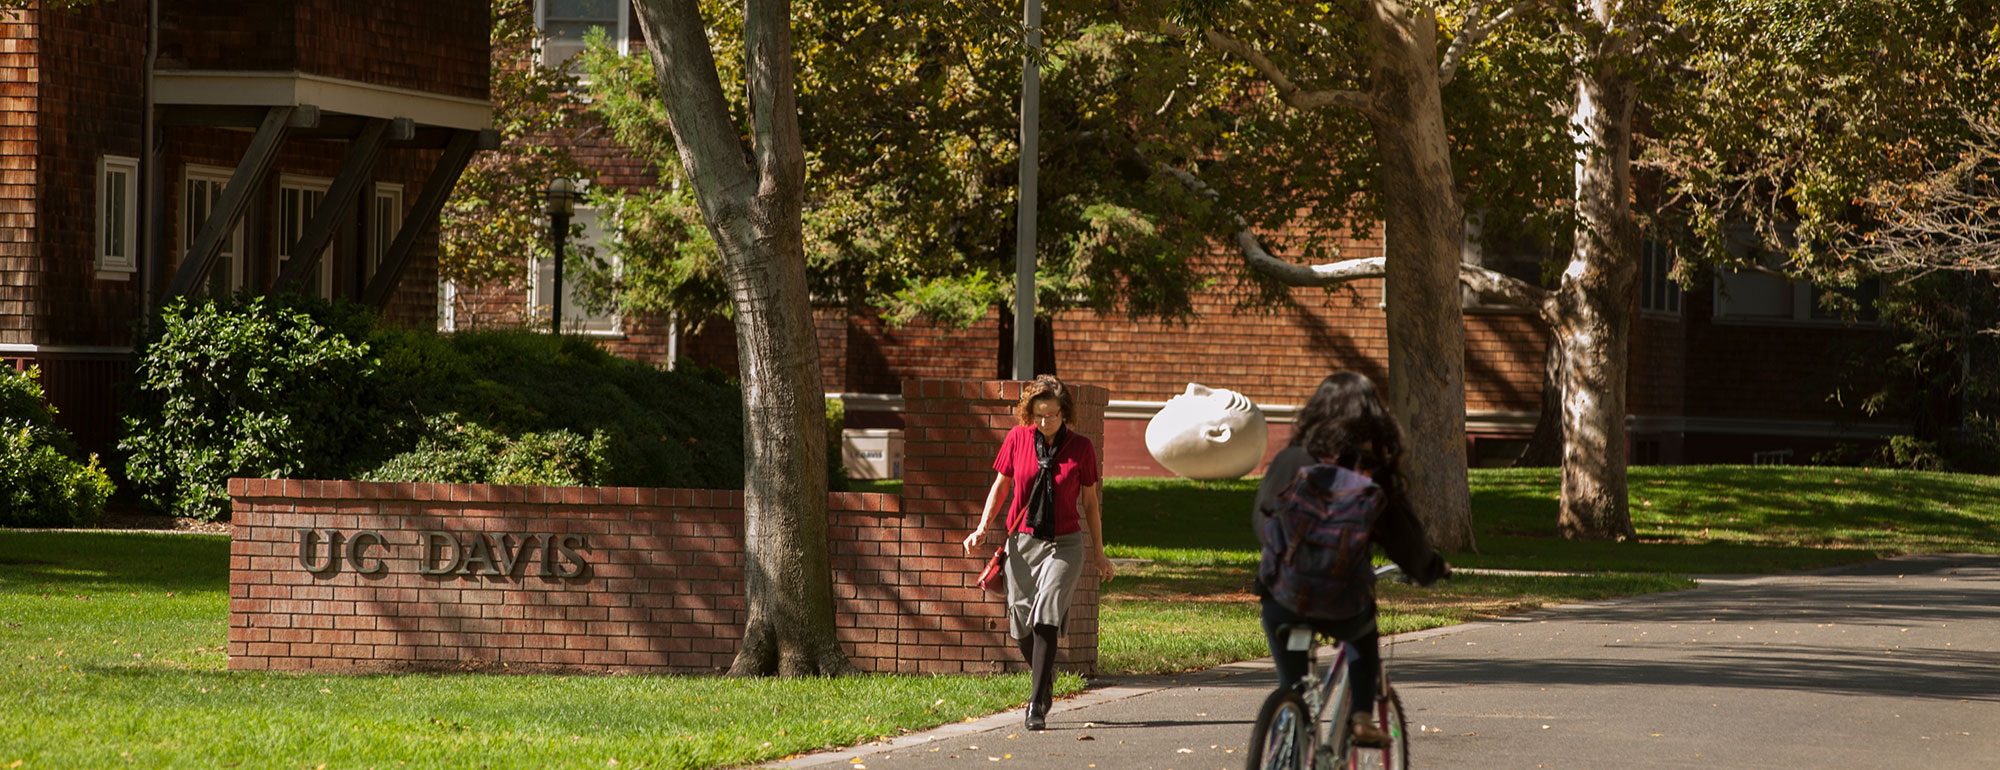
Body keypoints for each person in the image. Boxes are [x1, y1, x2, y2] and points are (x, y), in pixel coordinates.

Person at [1252, 372, 1448, 747]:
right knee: (1364, 631)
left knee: (1292, 691)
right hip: (1342, 606)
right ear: (1372, 417)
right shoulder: (1371, 473)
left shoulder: (1290, 461)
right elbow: (1405, 543)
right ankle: (1360, 716)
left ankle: (1288, 724)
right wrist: (1432, 570)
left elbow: (1262, 520)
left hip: (1282, 599)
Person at [962, 374, 1116, 731]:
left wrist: (1099, 552)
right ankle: (1044, 680)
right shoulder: (1017, 439)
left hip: (1064, 544)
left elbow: (1090, 504)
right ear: (1030, 413)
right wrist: (983, 527)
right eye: (1039, 415)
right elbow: (1001, 486)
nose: (1045, 422)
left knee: (1046, 610)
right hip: (1022, 543)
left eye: (1052, 415)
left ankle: (1036, 705)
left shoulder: (1081, 448)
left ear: (1065, 413)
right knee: (1019, 622)